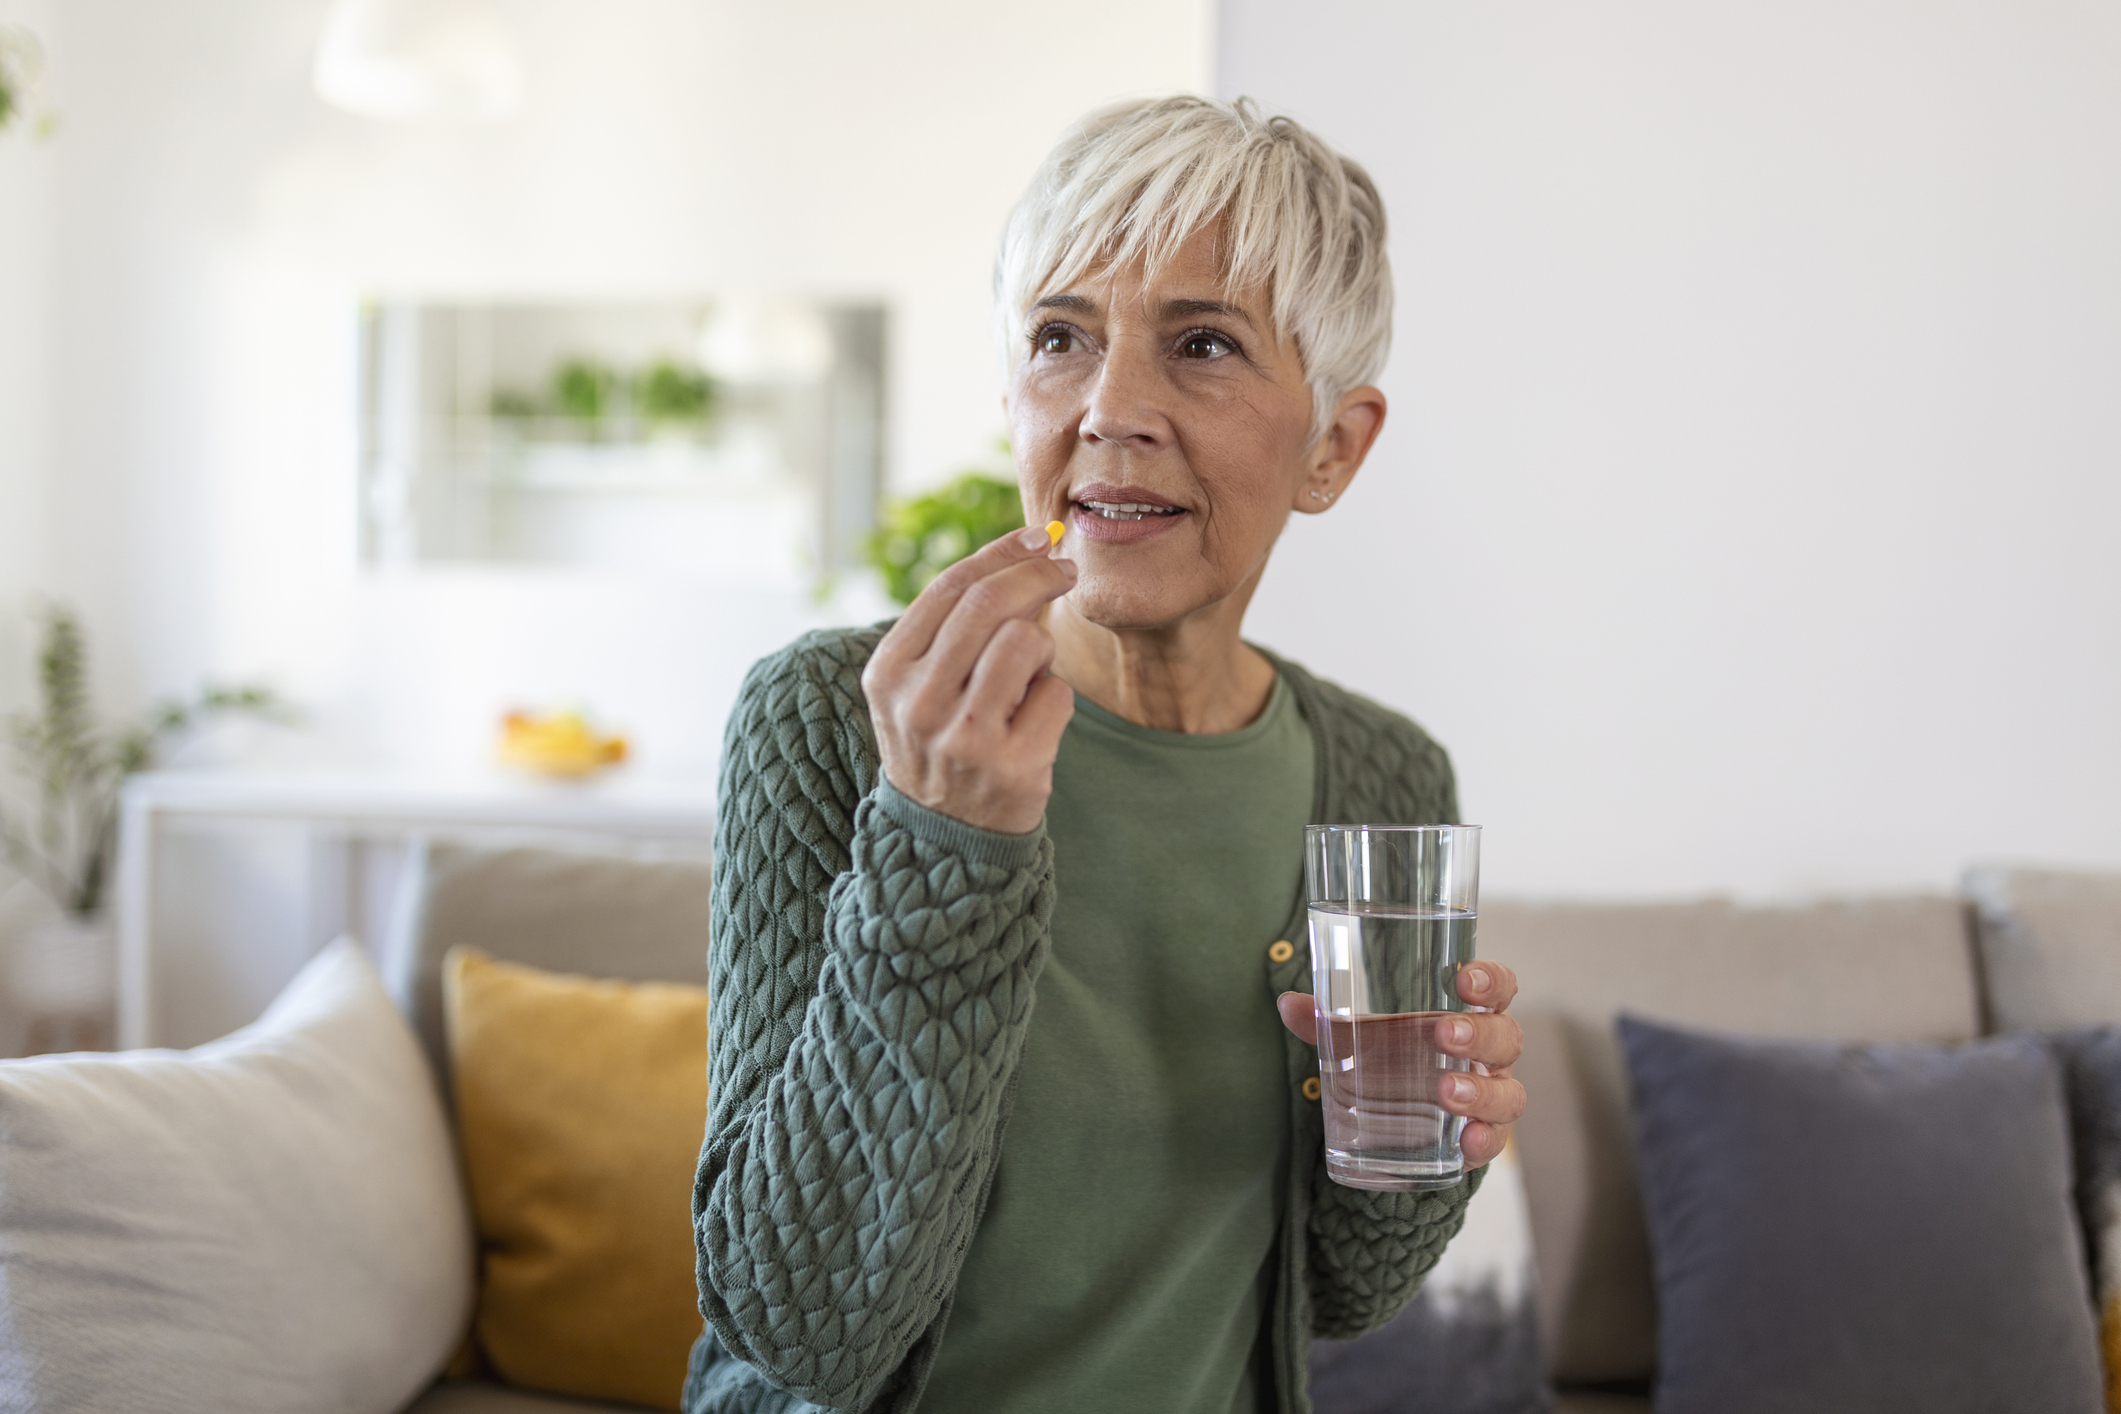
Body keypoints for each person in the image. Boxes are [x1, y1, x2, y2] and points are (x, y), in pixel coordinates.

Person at [686, 95, 1529, 1414]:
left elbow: (1344, 1290)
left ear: (1333, 447)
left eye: (1200, 343)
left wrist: (1434, 1148)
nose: (1110, 408)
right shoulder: (832, 717)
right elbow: (800, 1327)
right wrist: (941, 842)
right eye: (1059, 339)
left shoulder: (1381, 776)